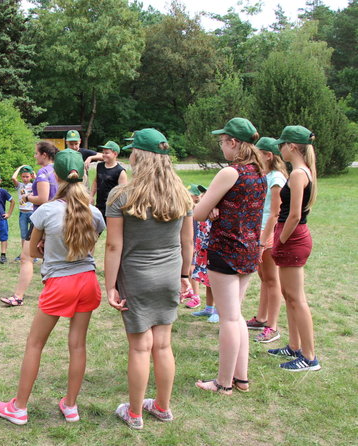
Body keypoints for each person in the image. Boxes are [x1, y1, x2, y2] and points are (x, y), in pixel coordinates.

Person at [0, 149, 105, 425]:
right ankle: (71, 405)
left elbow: (32, 251)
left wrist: (46, 248)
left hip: (60, 283)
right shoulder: (94, 212)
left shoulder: (45, 211)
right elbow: (88, 245)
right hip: (88, 281)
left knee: (35, 343)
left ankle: (18, 408)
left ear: (55, 177)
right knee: (77, 345)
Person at [104, 129, 193, 430]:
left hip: (137, 279)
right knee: (164, 346)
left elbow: (113, 246)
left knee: (141, 348)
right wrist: (185, 276)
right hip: (169, 275)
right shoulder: (182, 193)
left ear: (138, 156)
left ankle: (134, 413)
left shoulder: (121, 196)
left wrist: (110, 286)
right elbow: (188, 243)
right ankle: (162, 408)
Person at [194, 117, 266, 395]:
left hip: (225, 250)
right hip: (248, 250)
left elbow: (199, 213)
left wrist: (208, 207)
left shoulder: (231, 172)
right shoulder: (259, 171)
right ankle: (241, 378)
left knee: (228, 318)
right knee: (236, 316)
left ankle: (223, 382)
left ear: (233, 142)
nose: (221, 146)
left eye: (223, 141)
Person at [267, 126, 320, 371]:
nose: (279, 149)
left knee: (297, 299)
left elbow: (295, 215)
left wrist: (280, 241)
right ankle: (294, 346)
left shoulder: (299, 174)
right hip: (292, 237)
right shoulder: (299, 171)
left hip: (293, 238)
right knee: (289, 296)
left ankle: (309, 357)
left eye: (282, 144)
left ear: (292, 146)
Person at [0, 142, 58, 306]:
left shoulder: (43, 172)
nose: (35, 156)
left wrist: (27, 198)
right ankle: (52, 295)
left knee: (27, 257)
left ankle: (18, 296)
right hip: (58, 217)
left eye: (36, 153)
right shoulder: (59, 169)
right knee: (50, 256)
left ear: (44, 155)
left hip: (42, 218)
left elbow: (43, 199)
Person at [249, 138, 288, 343]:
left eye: (258, 154)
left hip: (268, 232)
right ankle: (261, 318)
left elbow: (275, 213)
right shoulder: (266, 175)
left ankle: (272, 326)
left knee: (272, 280)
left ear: (268, 155)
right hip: (259, 230)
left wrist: (264, 241)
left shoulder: (276, 179)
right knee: (264, 277)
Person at [187, 185, 218, 322]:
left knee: (217, 282)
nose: (203, 195)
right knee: (207, 280)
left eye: (206, 193)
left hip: (213, 250)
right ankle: (209, 308)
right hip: (203, 250)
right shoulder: (202, 210)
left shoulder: (215, 212)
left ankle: (218, 311)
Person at [90, 141, 127, 218]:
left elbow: (123, 193)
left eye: (107, 153)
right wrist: (91, 196)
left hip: (112, 207)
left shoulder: (120, 171)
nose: (104, 155)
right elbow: (96, 181)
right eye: (103, 153)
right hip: (99, 205)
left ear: (115, 154)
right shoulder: (100, 166)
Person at [11, 165, 35, 261]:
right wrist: (20, 167)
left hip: (32, 212)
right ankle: (24, 253)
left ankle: (33, 254)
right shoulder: (19, 185)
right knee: (24, 235)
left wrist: (33, 173)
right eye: (23, 176)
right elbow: (13, 177)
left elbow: (39, 180)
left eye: (27, 176)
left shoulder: (34, 185)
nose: (25, 179)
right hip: (22, 213)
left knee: (33, 235)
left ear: (31, 176)